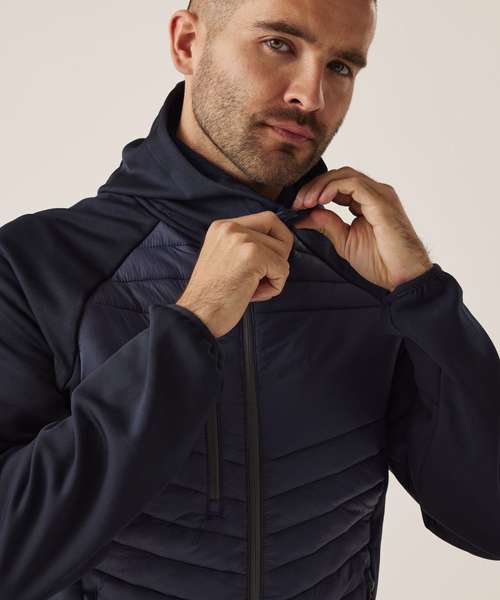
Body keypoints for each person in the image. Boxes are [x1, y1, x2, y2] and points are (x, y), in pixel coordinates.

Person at [0, 1, 499, 599]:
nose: (311, 95)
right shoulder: (38, 265)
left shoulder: (365, 271)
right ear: (188, 43)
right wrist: (191, 327)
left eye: (341, 66)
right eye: (279, 45)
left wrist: (424, 297)